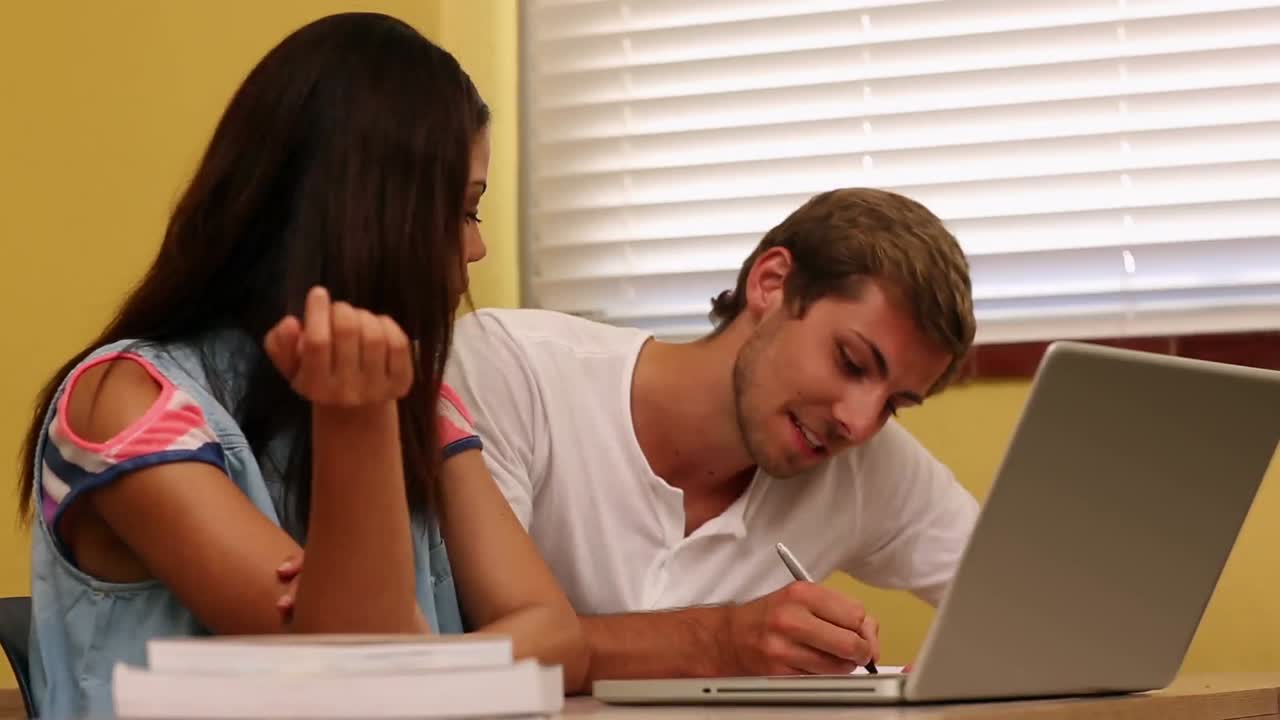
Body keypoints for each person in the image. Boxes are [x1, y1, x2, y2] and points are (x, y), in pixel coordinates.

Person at [17, 13, 585, 718]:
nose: (476, 251)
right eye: (465, 212)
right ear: (371, 214)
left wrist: (415, 663)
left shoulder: (419, 401)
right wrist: (360, 419)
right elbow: (349, 677)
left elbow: (557, 635)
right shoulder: (128, 401)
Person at [444, 187, 979, 682]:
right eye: (851, 362)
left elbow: (1034, 602)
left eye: (895, 405)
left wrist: (956, 680)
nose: (859, 423)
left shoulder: (867, 464)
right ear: (771, 284)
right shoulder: (510, 369)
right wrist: (720, 642)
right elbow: (461, 651)